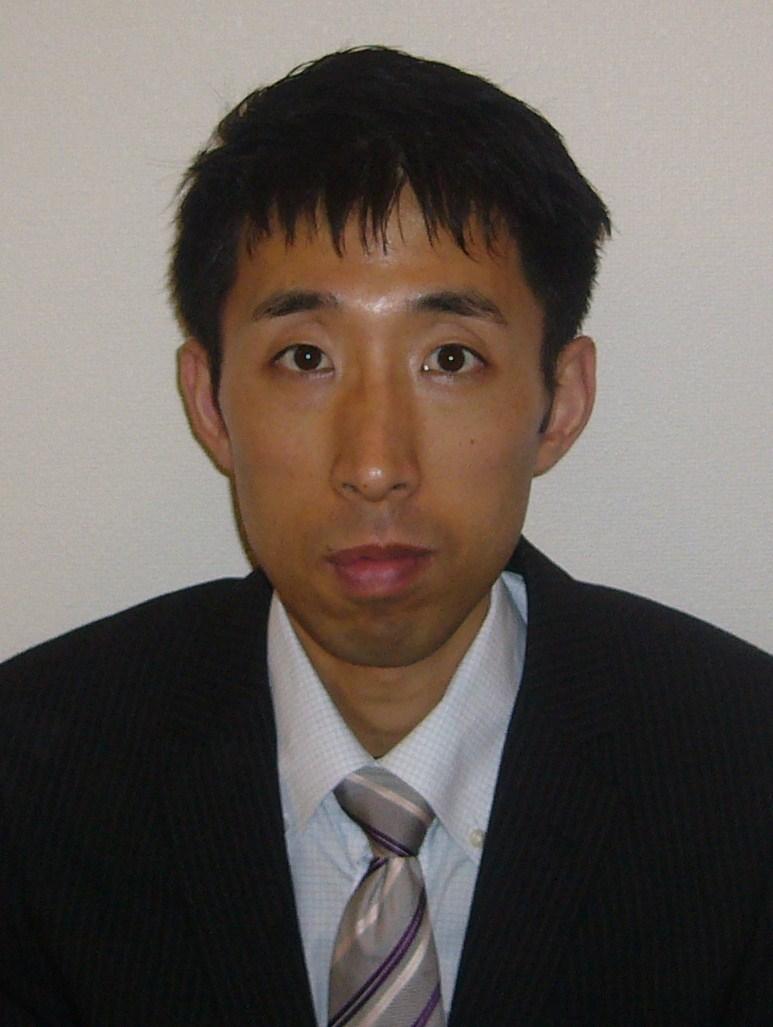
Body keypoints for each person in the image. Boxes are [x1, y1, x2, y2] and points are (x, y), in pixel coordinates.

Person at [1, 46, 770, 1027]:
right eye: (304, 357)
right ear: (210, 403)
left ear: (560, 400)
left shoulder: (742, 774)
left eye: (448, 358)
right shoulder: (32, 781)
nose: (373, 465)